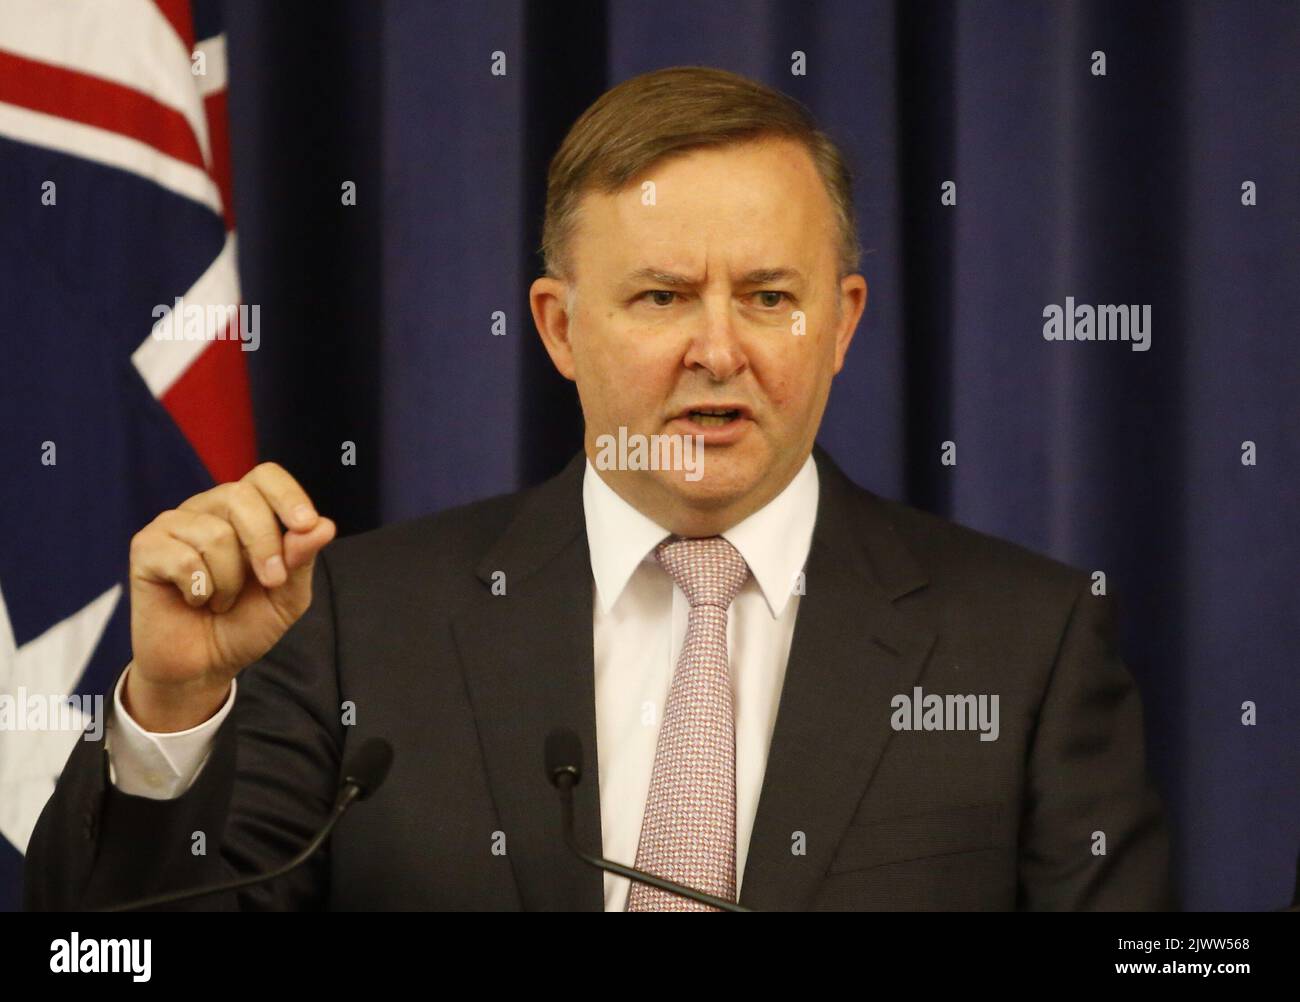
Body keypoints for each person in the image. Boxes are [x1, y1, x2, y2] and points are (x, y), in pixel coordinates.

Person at [25, 66, 1173, 911]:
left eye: (771, 297)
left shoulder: (1025, 644)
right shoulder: (350, 626)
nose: (719, 351)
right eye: (662, 298)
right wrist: (170, 710)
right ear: (558, 327)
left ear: (842, 324)